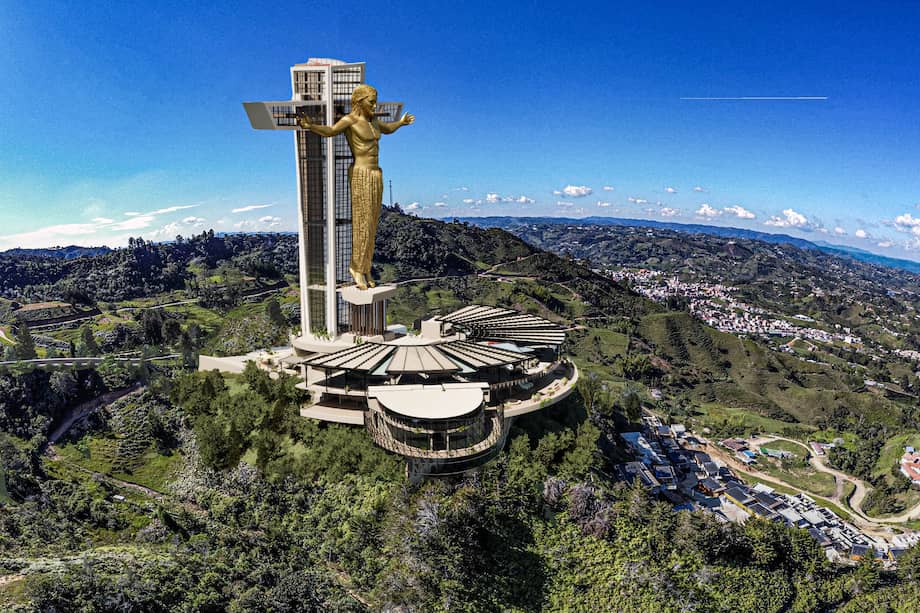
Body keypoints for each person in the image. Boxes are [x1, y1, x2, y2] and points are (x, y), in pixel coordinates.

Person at [297, 84, 414, 289]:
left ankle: (365, 267)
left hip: (376, 174)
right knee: (362, 223)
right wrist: (310, 126)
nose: (375, 105)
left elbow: (387, 129)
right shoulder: (350, 120)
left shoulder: (374, 121)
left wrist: (401, 123)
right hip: (361, 174)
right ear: (360, 102)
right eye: (371, 102)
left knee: (371, 224)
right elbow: (331, 131)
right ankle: (356, 267)